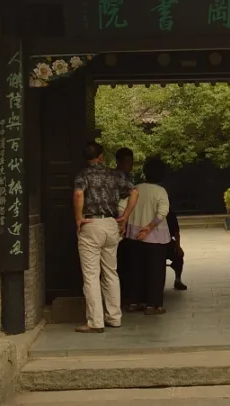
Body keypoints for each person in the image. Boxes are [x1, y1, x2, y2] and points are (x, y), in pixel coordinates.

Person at [72, 141, 138, 333]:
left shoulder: (83, 175)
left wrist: (78, 218)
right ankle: (114, 317)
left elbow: (78, 194)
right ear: (101, 156)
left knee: (91, 275)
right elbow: (134, 192)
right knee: (111, 272)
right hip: (111, 223)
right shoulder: (115, 174)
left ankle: (95, 321)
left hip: (91, 224)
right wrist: (125, 216)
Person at [123, 156, 172, 315]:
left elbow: (122, 207)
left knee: (135, 270)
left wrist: (124, 223)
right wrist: (150, 226)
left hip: (134, 236)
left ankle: (134, 302)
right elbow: (163, 212)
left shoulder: (135, 188)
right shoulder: (160, 191)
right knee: (155, 272)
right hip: (156, 239)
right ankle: (153, 305)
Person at [114, 147, 136, 309]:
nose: (130, 165)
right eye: (127, 161)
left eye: (131, 161)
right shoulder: (116, 177)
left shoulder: (129, 177)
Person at [166, 206, 188, 291]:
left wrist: (178, 247)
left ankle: (178, 279)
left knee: (179, 256)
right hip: (152, 242)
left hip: (167, 241)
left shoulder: (170, 215)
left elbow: (176, 233)